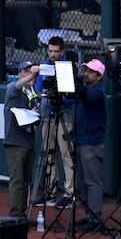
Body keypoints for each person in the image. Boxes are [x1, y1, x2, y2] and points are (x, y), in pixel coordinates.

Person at [36, 35, 77, 207]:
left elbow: (72, 97)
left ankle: (70, 193)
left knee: (67, 154)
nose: (53, 54)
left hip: (65, 116)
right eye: (50, 51)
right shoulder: (44, 66)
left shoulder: (69, 68)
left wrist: (61, 95)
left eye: (56, 51)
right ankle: (50, 191)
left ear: (62, 52)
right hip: (47, 115)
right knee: (49, 153)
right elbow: (39, 89)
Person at [72, 58, 109, 233]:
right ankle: (88, 215)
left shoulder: (97, 92)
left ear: (98, 76)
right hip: (81, 142)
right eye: (85, 70)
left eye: (89, 71)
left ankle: (95, 218)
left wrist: (77, 83)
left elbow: (88, 99)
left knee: (92, 182)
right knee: (82, 182)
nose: (86, 74)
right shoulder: (87, 91)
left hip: (92, 144)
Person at [2, 62, 41, 217]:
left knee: (26, 180)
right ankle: (15, 214)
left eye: (30, 71)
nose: (29, 74)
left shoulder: (34, 93)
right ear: (19, 74)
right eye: (25, 71)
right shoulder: (12, 88)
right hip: (15, 142)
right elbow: (18, 86)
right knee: (17, 179)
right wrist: (33, 74)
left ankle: (22, 213)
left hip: (29, 141)